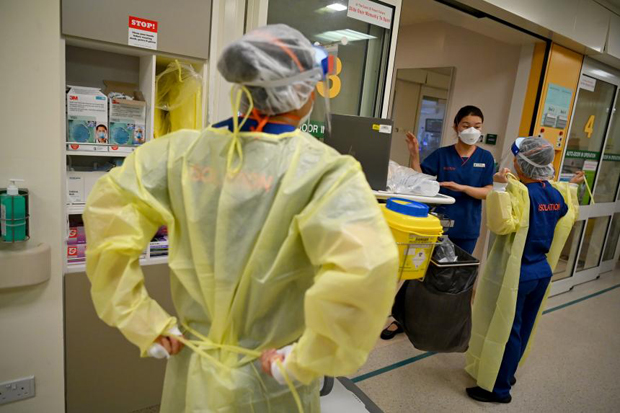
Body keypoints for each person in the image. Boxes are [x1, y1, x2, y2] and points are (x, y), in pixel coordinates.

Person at [83, 24, 399, 413]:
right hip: (272, 376)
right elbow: (368, 271)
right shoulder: (324, 171)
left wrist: (144, 323)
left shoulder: (178, 154)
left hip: (194, 371)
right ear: (303, 91)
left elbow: (106, 218)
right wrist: (307, 358)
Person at [465, 136, 583, 403]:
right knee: (523, 328)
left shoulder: (522, 194)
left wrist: (498, 187)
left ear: (521, 165)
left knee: (506, 330)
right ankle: (508, 373)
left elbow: (501, 224)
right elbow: (564, 210)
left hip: (518, 273)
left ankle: (498, 390)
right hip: (541, 271)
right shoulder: (553, 192)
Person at [382, 105, 493, 340]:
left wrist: (462, 188)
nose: (471, 130)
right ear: (456, 127)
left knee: (453, 276)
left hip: (467, 226)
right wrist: (414, 155)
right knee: (419, 273)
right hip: (437, 225)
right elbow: (419, 180)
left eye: (477, 126)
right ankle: (400, 319)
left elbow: (487, 192)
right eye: (466, 125)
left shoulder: (485, 158)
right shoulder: (443, 154)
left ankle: (438, 324)